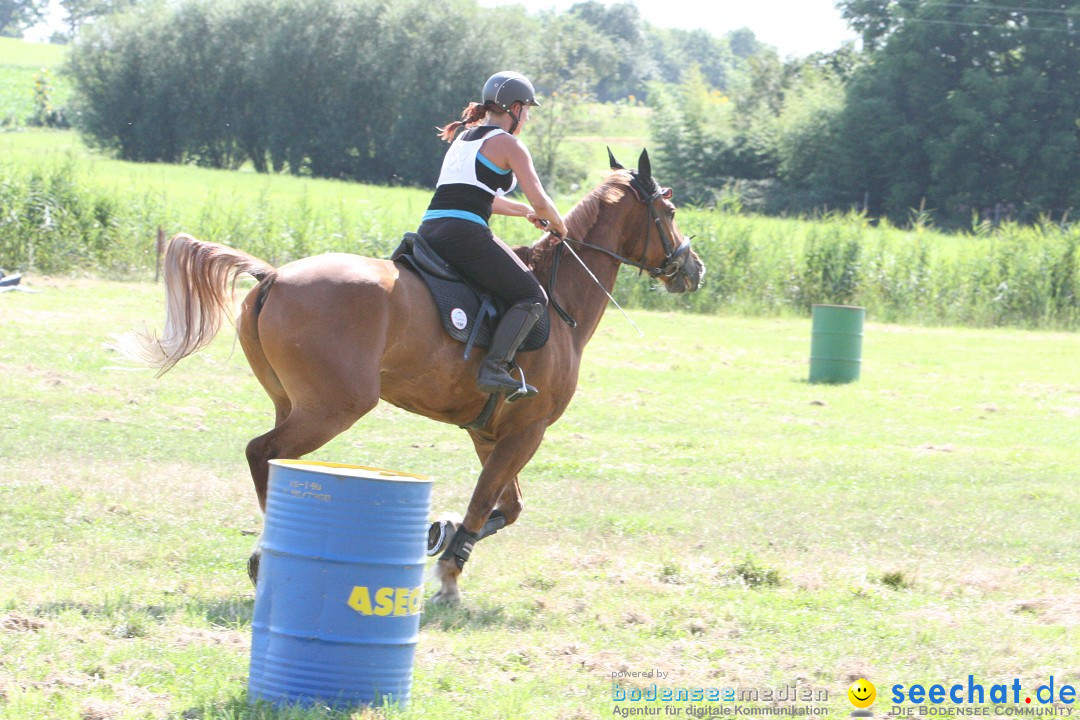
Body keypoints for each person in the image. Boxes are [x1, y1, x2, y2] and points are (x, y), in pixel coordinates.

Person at [418, 70, 568, 398]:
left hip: (430, 229)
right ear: (514, 108)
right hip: (464, 232)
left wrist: (525, 213)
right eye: (527, 110)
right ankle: (495, 368)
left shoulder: (463, 138)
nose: (527, 118)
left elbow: (480, 197)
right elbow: (541, 200)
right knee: (532, 297)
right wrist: (559, 224)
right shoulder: (510, 145)